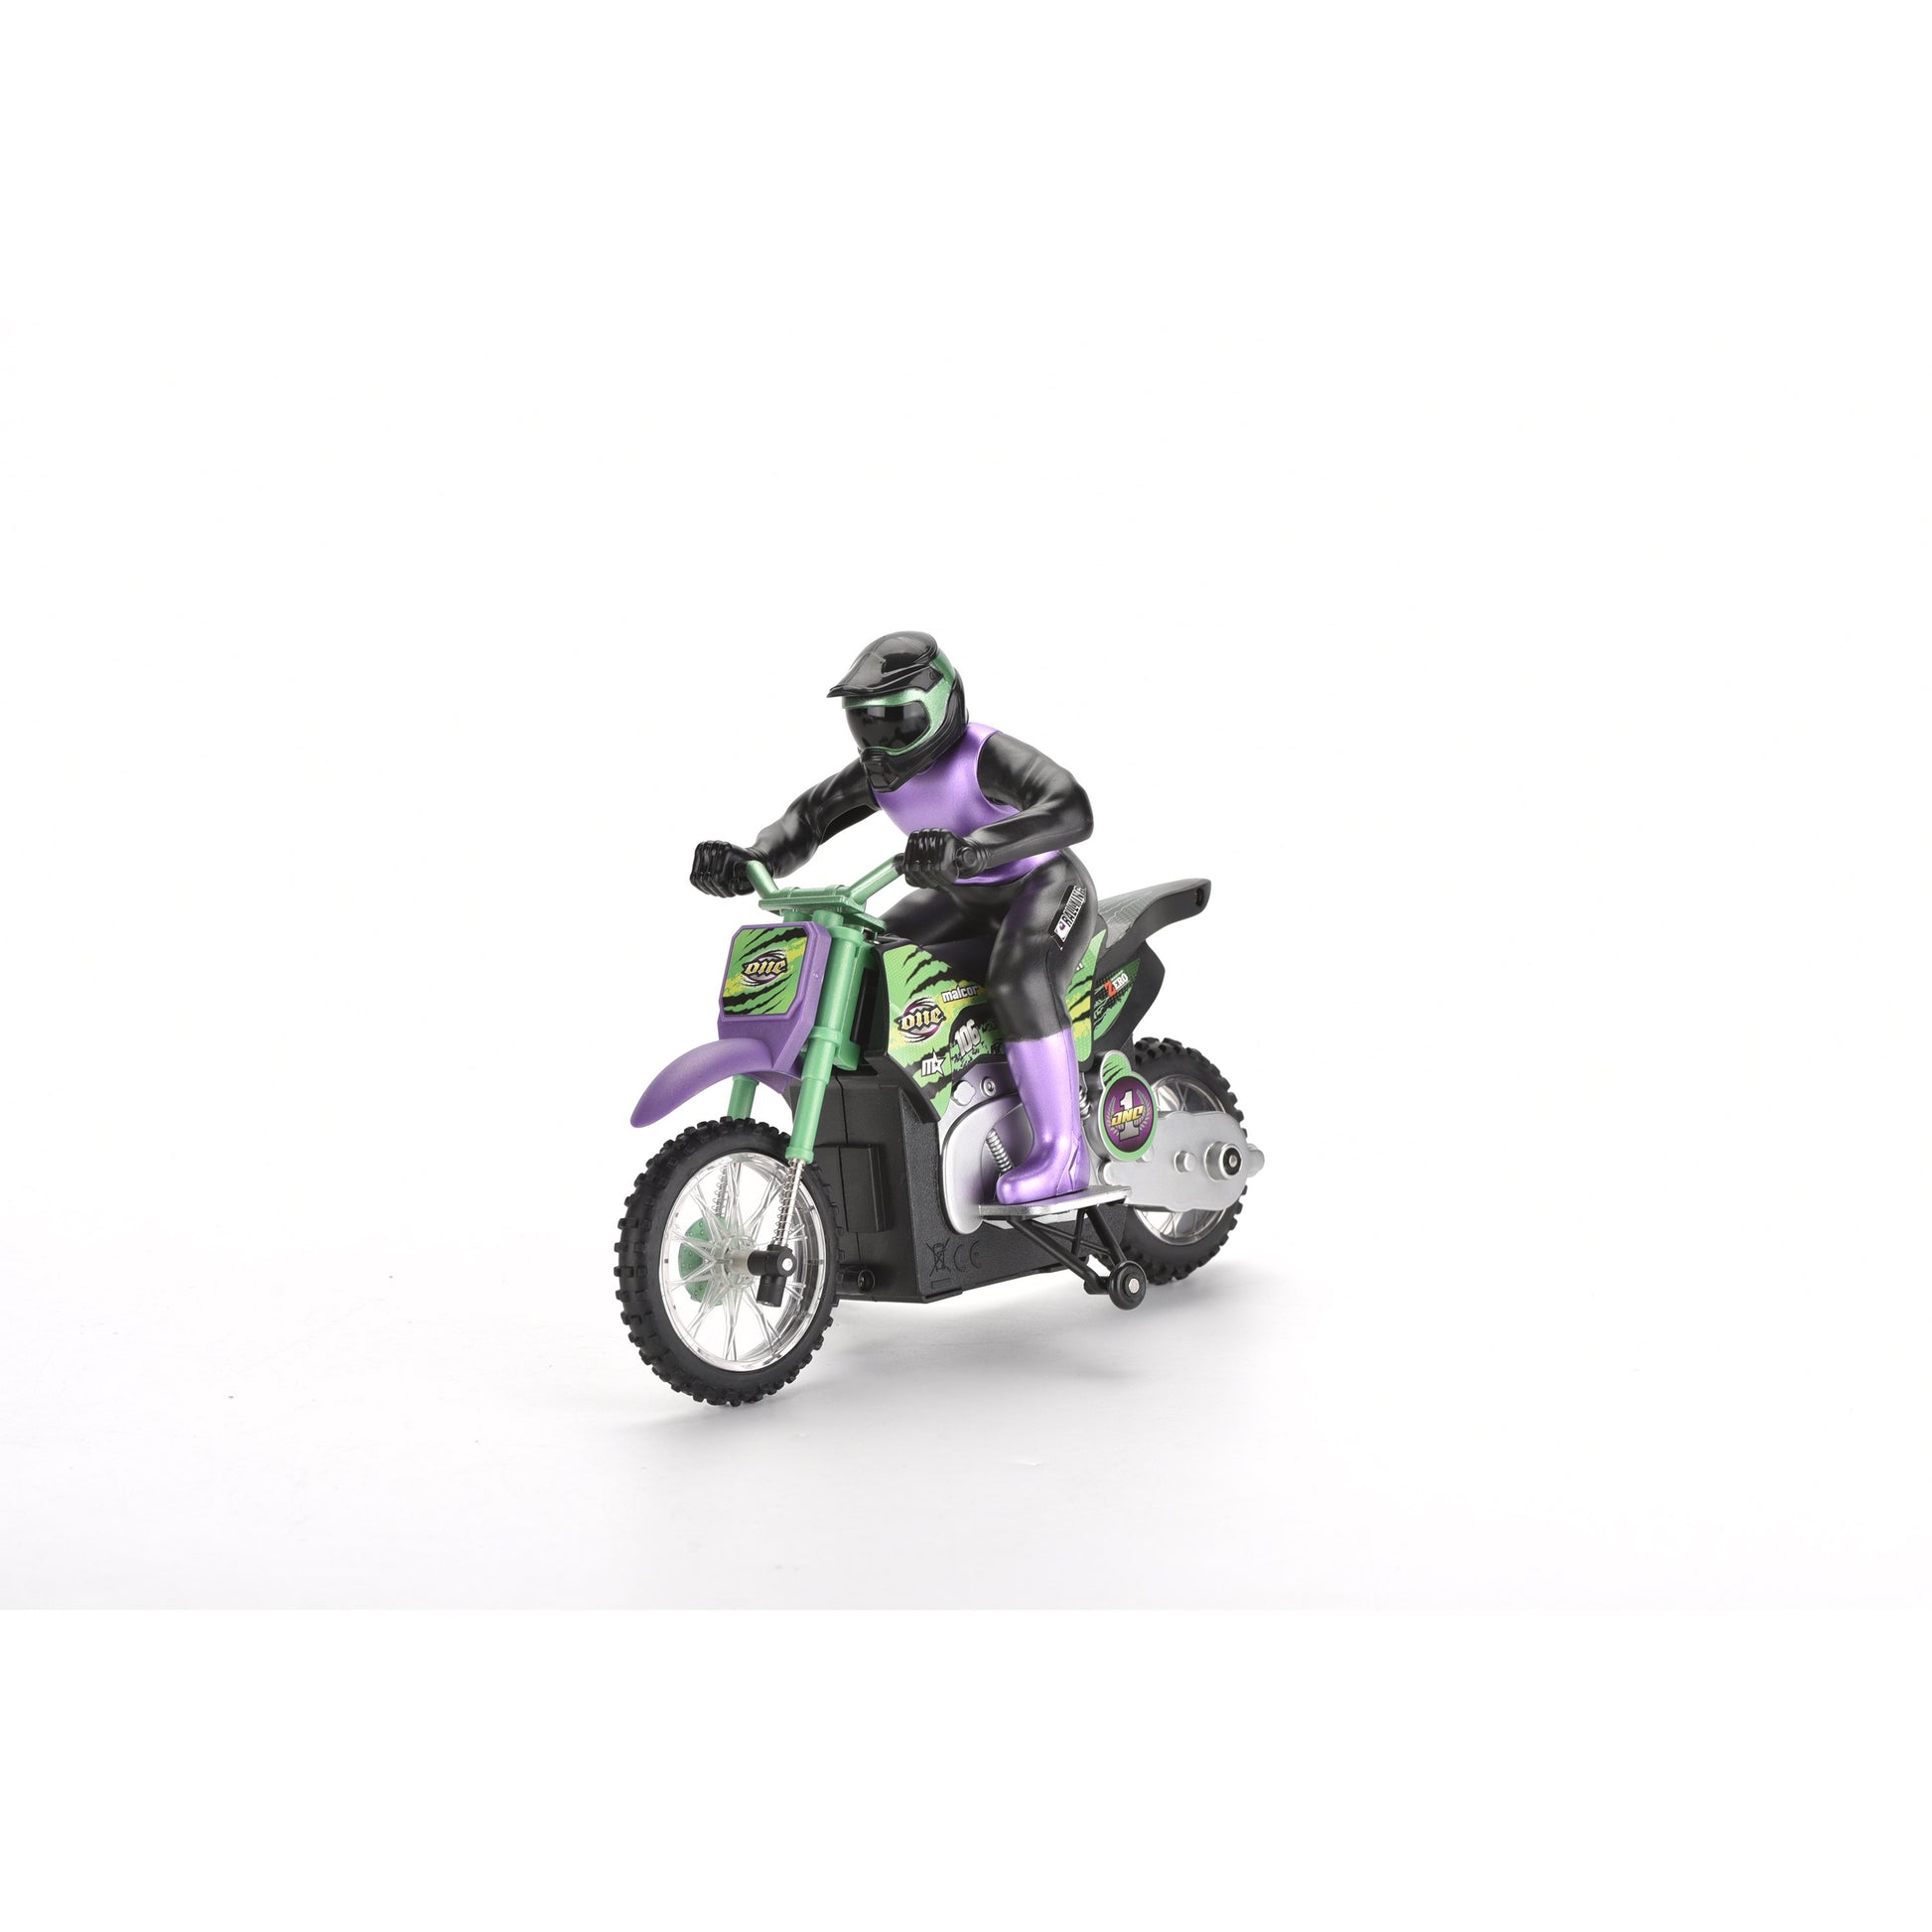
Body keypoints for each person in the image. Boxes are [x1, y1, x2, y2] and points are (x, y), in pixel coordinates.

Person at [690, 631, 1100, 1204]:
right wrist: (752, 858)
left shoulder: (982, 755)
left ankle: (1064, 1153)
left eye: (896, 722)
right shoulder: (876, 773)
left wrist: (975, 849)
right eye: (866, 724)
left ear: (942, 705)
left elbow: (1071, 807)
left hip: (1044, 886)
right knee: (871, 963)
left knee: (1018, 980)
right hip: (959, 894)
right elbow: (807, 819)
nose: (880, 742)